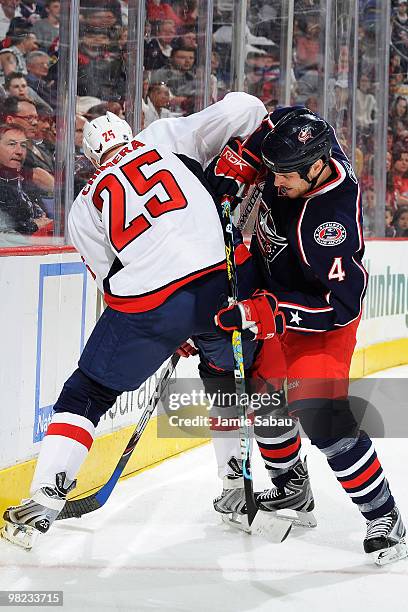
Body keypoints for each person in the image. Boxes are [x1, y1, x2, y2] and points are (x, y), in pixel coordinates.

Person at [0, 93, 268, 550]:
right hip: (225, 280)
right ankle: (234, 489)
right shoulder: (163, 136)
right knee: (224, 376)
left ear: (90, 159)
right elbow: (246, 106)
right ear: (130, 135)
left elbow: (109, 280)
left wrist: (166, 328)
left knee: (88, 392)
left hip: (153, 299)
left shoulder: (84, 203)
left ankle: (44, 501)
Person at [206, 105, 407, 565]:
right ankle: (293, 491)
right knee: (263, 398)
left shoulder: (329, 224)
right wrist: (244, 159)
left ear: (316, 169)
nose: (275, 183)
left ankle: (386, 517)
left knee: (320, 415)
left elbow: (342, 306)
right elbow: (286, 117)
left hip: (317, 320)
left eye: (285, 179)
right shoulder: (310, 144)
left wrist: (271, 311)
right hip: (273, 296)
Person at [0, 123, 52, 237]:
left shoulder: (26, 182)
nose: (19, 151)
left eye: (23, 145)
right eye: (12, 144)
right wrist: (33, 226)